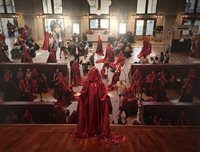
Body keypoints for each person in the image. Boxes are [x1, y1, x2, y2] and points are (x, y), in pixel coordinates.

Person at [74, 68, 111, 137]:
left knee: (90, 115)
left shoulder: (88, 84)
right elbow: (103, 94)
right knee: (97, 115)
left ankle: (90, 129)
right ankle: (97, 130)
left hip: (90, 105)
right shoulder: (99, 84)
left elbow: (84, 92)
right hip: (96, 106)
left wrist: (81, 94)